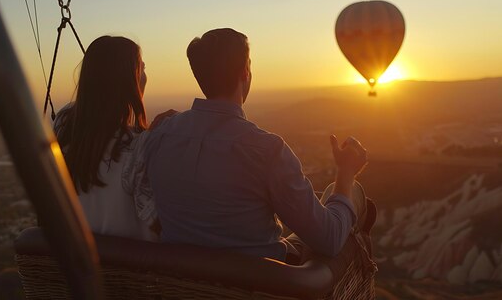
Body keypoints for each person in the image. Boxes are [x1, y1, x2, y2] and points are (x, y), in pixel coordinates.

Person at [144, 28, 369, 263]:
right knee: (351, 194)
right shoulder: (267, 151)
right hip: (262, 282)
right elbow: (329, 239)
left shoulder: (160, 135)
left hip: (181, 279)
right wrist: (346, 173)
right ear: (245, 72)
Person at [53, 35, 158, 241]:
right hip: (132, 267)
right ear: (130, 80)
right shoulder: (139, 147)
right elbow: (161, 224)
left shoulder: (65, 125)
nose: (145, 76)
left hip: (79, 262)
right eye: (142, 69)